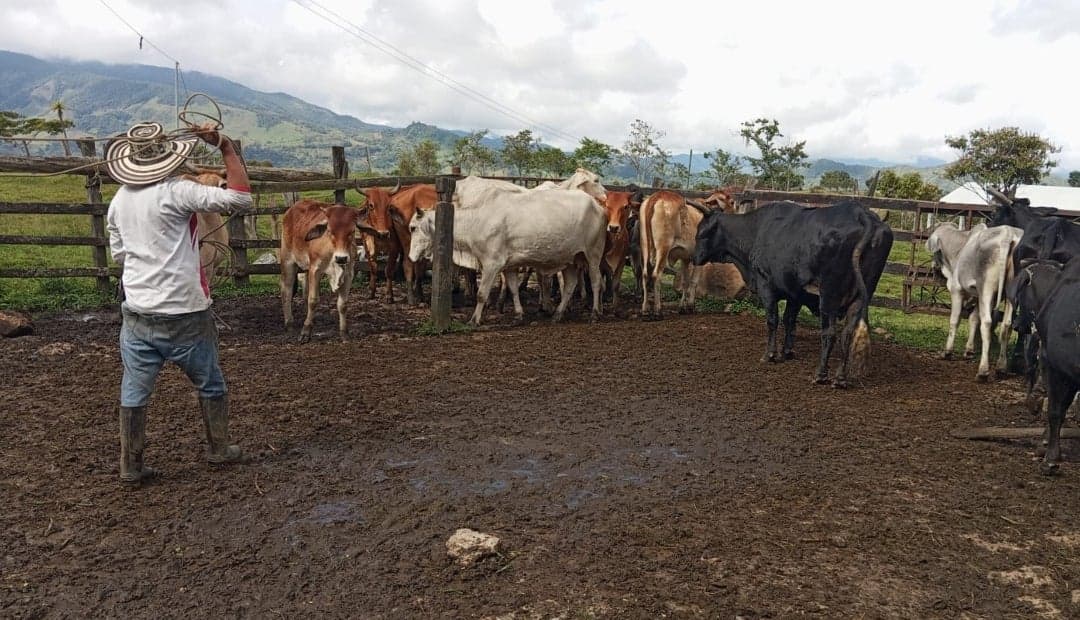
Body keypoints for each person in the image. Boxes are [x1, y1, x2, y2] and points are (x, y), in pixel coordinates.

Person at [105, 121, 253, 486]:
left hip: (138, 312)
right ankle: (219, 447)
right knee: (210, 383)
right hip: (185, 312)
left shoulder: (119, 199)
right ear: (168, 157)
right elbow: (240, 199)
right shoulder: (178, 192)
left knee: (134, 389)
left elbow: (119, 254)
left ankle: (130, 464)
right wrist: (226, 147)